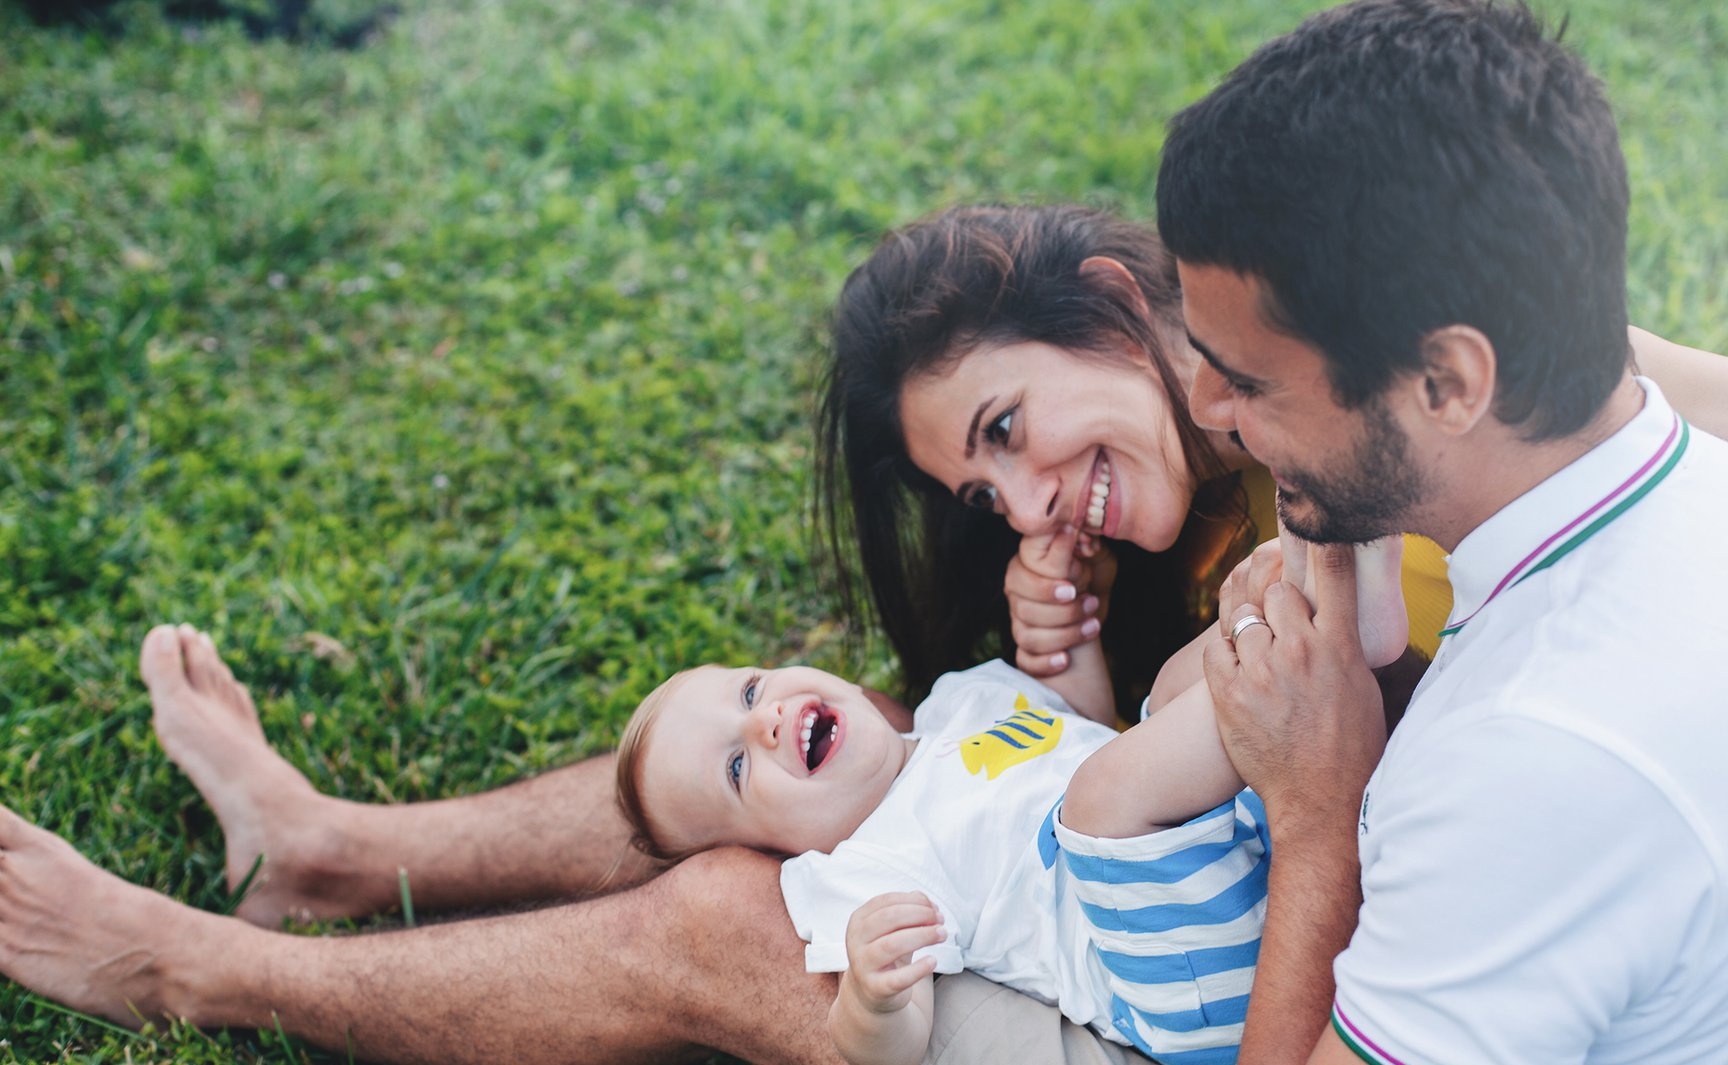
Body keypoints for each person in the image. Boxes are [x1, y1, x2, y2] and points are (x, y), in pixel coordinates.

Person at [4, 90, 1728, 1065]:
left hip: (1305, 947)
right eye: (975, 483)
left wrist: (1321, 798)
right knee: (838, 764)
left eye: (1003, 428)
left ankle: (204, 966)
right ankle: (337, 850)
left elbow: (1602, 371)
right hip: (1267, 846)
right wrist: (1074, 666)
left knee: (729, 911)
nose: (1015, 504)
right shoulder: (1300, 463)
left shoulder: (1434, 426)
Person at [1152, 0, 1728, 1061]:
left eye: (1247, 380)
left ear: (1448, 383)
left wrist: (1318, 817)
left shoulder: (1529, 759)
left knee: (739, 917)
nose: (1205, 410)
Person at [611, 528, 1402, 1065]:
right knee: (1101, 796)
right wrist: (874, 1003)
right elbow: (882, 1046)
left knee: (1160, 697)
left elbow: (1079, 722)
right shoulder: (857, 868)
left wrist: (1072, 638)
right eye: (738, 769)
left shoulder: (962, 701)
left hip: (1228, 838)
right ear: (772, 853)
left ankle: (1327, 607)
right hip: (1188, 976)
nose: (769, 721)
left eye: (750, 690)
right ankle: (1312, 660)